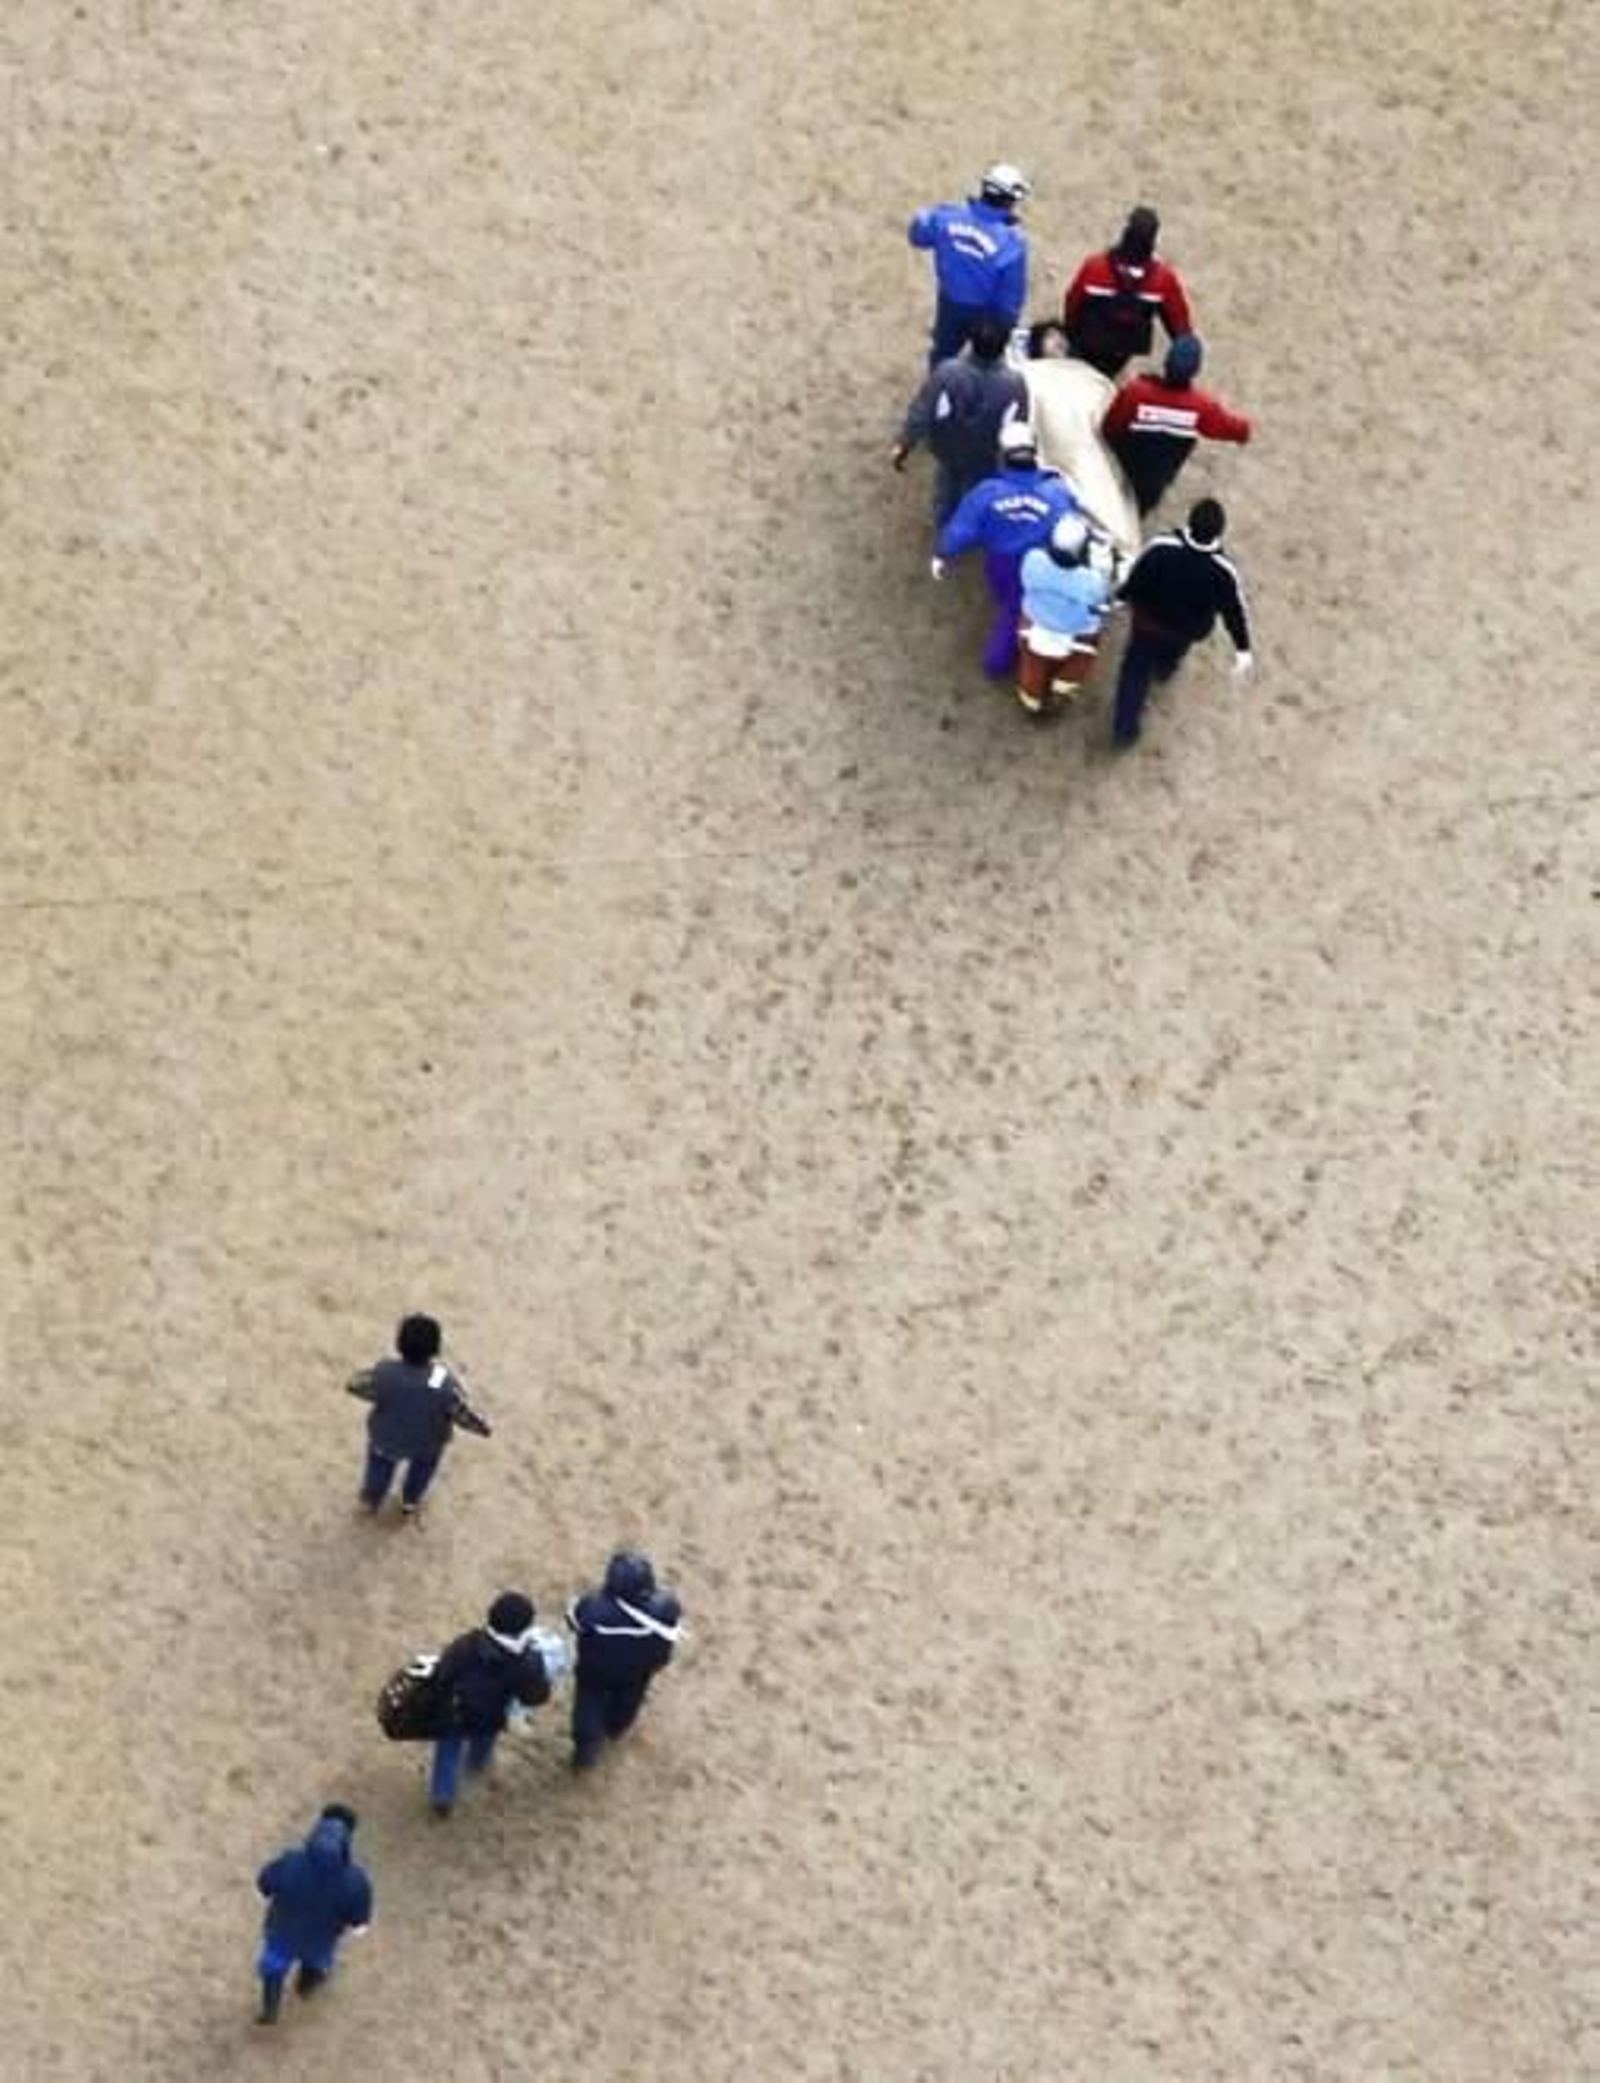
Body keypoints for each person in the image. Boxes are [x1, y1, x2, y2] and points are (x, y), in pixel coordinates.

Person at [933, 421, 1084, 678]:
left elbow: (962, 528)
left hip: (1002, 564)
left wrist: (943, 552)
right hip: (1043, 562)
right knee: (1021, 609)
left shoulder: (987, 493)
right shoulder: (1056, 492)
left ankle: (998, 661)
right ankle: (1006, 658)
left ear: (1003, 456)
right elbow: (1074, 525)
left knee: (1013, 608)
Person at [1111, 496, 1254, 748]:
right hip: (1185, 631)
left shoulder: (1161, 547)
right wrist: (1242, 648)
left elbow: (1137, 578)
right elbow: (1234, 611)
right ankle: (1165, 669)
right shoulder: (1223, 571)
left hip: (1148, 622)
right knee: (1172, 653)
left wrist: (1118, 599)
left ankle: (1125, 727)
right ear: (1218, 533)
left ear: (1190, 521)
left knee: (1134, 673)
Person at [347, 1313, 491, 1519]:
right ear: (435, 1349)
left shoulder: (386, 1372)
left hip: (386, 1437)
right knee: (422, 1471)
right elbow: (461, 1412)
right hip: (427, 1442)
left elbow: (355, 1385)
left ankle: (371, 1499)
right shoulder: (441, 1380)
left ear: (399, 1344)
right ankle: (410, 1501)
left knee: (379, 1468)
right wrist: (483, 1428)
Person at [892, 314, 1028, 525]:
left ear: (971, 343)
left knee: (947, 483)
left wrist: (905, 442)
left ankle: (944, 519)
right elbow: (1019, 425)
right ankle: (975, 521)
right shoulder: (1014, 384)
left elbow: (923, 409)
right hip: (986, 452)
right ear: (1003, 348)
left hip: (948, 446)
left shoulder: (948, 372)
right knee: (981, 487)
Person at [426, 1591, 553, 1815]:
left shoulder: (468, 1643)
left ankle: (442, 1795)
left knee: (447, 1750)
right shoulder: (527, 1661)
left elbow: (444, 1670)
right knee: (484, 1740)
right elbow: (535, 1696)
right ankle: (476, 1763)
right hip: (490, 1716)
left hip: (454, 1710)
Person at [1102, 334, 1252, 515]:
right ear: (1195, 371)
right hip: (1158, 473)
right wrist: (1243, 432)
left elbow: (1110, 426)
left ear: (1166, 364)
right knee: (1140, 506)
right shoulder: (1202, 407)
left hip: (1122, 458)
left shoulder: (1136, 392)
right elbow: (1230, 428)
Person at [254, 1804, 372, 2027]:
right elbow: (359, 1917)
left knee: (273, 1967)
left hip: (282, 1930)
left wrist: (267, 1891)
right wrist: (357, 1925)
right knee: (317, 1961)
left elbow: (265, 1882)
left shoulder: (292, 1861)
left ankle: (270, 2008)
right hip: (321, 1938)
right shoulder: (355, 1881)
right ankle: (306, 1985)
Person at [568, 1551, 684, 1771]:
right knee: (627, 1703)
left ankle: (586, 1749)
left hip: (595, 1672)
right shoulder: (665, 1609)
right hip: (637, 1673)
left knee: (588, 1706)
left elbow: (573, 1622)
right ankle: (613, 1729)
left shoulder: (593, 1607)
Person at [907, 164, 1031, 369]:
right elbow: (1011, 294)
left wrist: (924, 216)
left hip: (949, 301)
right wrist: (1007, 324)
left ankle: (939, 384)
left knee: (944, 351)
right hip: (986, 312)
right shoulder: (1012, 243)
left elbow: (917, 235)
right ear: (1011, 201)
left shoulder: (946, 217)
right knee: (985, 360)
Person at [1062, 207, 1193, 378]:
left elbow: (1072, 305)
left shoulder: (1094, 267)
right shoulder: (1163, 279)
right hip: (1125, 353)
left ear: (1126, 232)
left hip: (1086, 348)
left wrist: (1071, 337)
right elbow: (1180, 328)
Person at [1015, 514, 1118, 711]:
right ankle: (1063, 687)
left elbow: (1026, 582)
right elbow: (1100, 597)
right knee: (1084, 656)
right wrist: (1102, 554)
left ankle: (1030, 697)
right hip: (1074, 629)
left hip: (1035, 620)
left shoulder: (1033, 559)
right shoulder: (1090, 580)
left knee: (1031, 660)